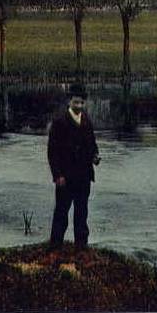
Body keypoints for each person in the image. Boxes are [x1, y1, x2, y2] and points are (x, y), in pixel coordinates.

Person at [47, 83, 100, 249]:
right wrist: (58, 176)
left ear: (84, 103)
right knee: (61, 213)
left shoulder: (87, 121)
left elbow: (92, 144)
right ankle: (55, 246)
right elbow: (52, 152)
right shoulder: (59, 122)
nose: (78, 106)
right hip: (65, 177)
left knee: (81, 213)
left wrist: (95, 156)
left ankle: (81, 247)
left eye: (81, 103)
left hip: (84, 176)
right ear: (69, 101)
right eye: (76, 102)